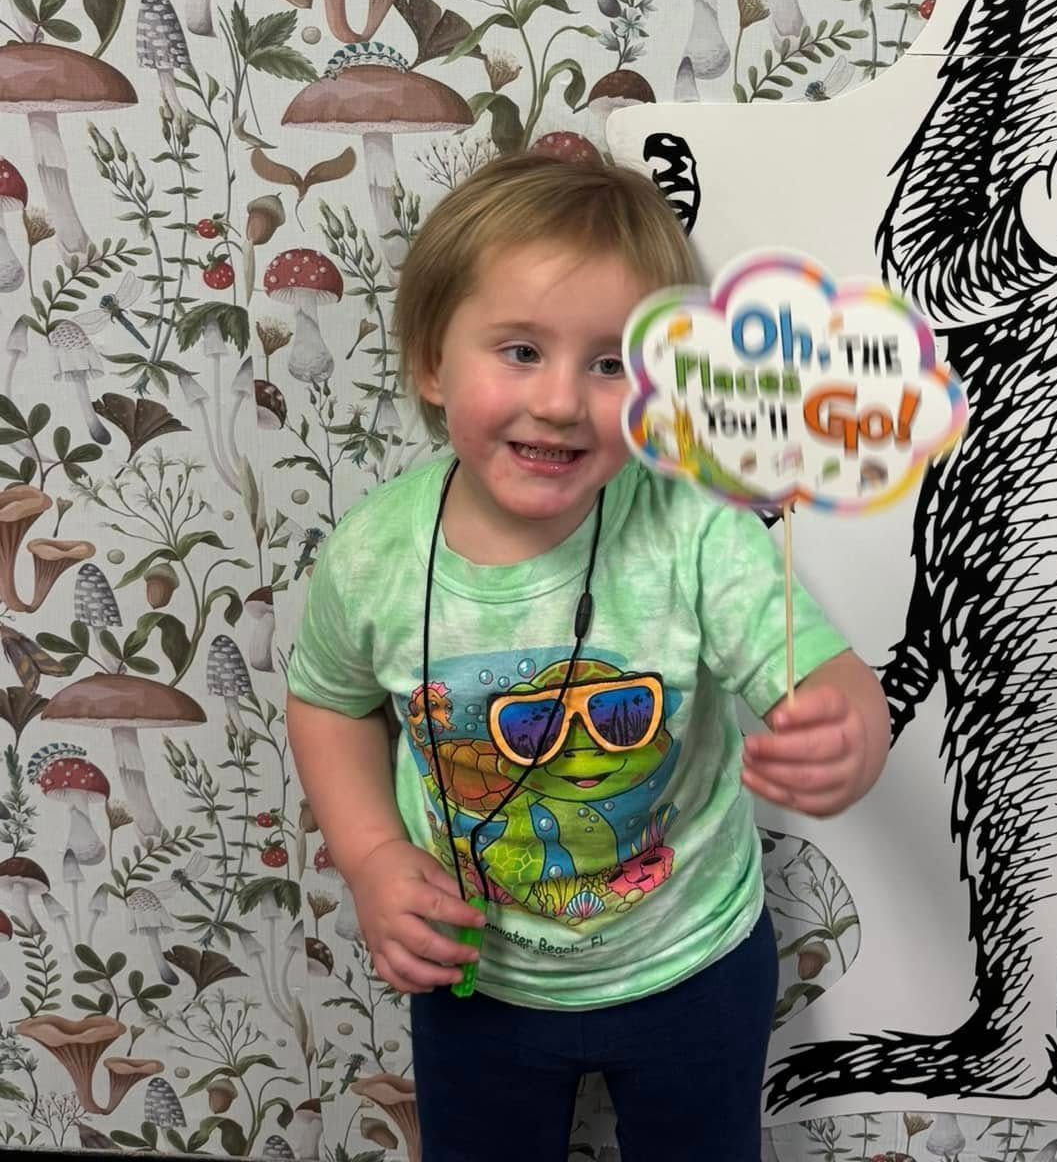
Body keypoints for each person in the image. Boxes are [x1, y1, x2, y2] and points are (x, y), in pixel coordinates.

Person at [286, 151, 891, 1161]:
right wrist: (373, 855)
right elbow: (330, 701)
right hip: (477, 975)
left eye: (611, 364)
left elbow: (820, 671)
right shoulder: (374, 554)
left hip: (693, 960)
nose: (563, 400)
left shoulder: (694, 526)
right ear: (432, 360)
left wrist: (848, 722)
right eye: (520, 349)